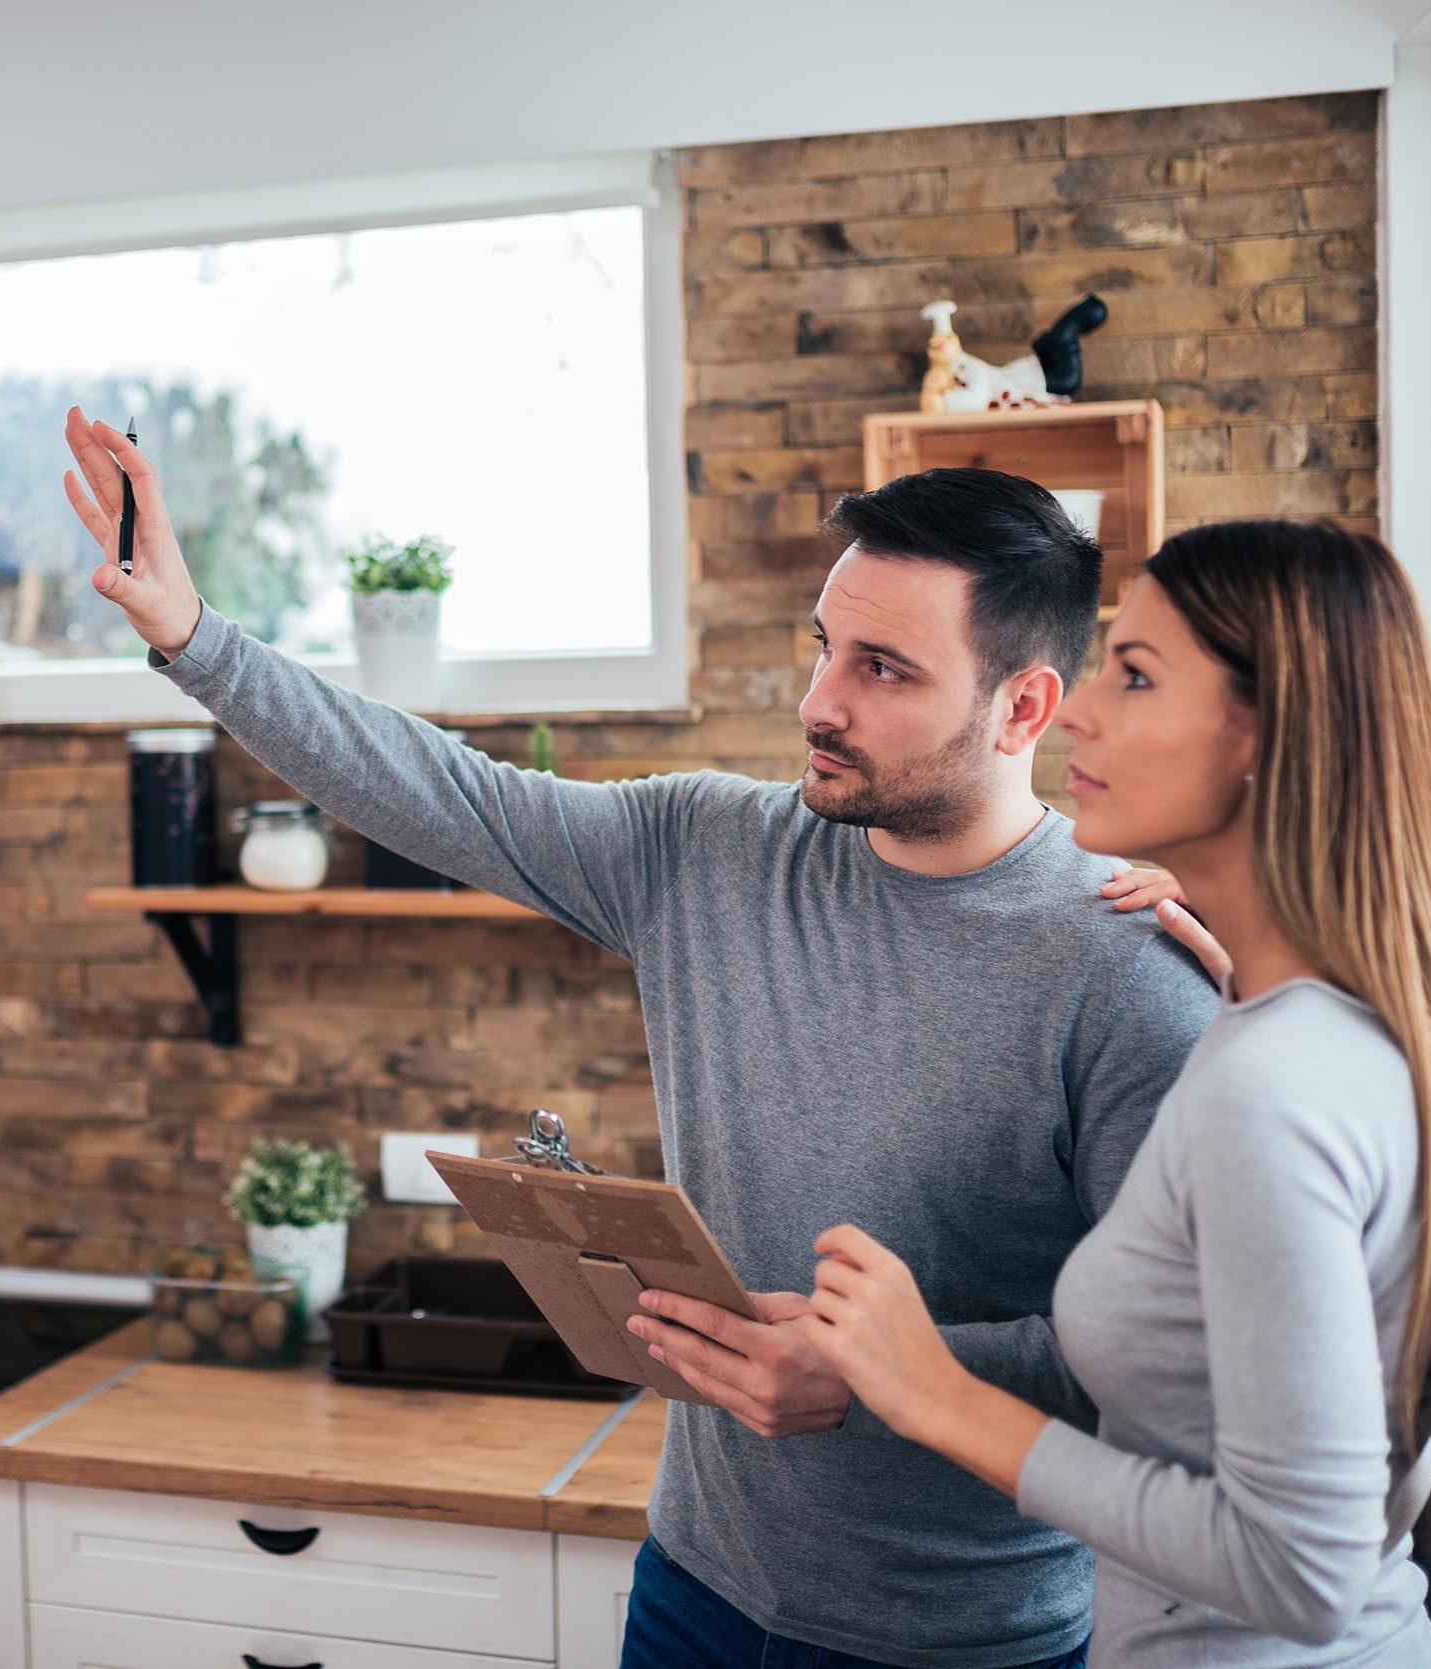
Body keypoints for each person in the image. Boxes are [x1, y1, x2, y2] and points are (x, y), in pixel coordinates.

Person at [62, 407, 1220, 1668]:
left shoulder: (1128, 971)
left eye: (882, 670)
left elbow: (1172, 1357)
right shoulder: (704, 849)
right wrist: (192, 635)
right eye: (824, 647)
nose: (815, 702)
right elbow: (441, 791)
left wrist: (883, 1372)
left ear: (1023, 707)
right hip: (695, 1593)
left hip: (965, 1642)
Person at [802, 520, 1431, 1664]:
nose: (1080, 709)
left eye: (1137, 676)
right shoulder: (1334, 1028)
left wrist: (933, 1392)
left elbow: (1299, 1568)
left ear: (1269, 737)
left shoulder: (1275, 1086)